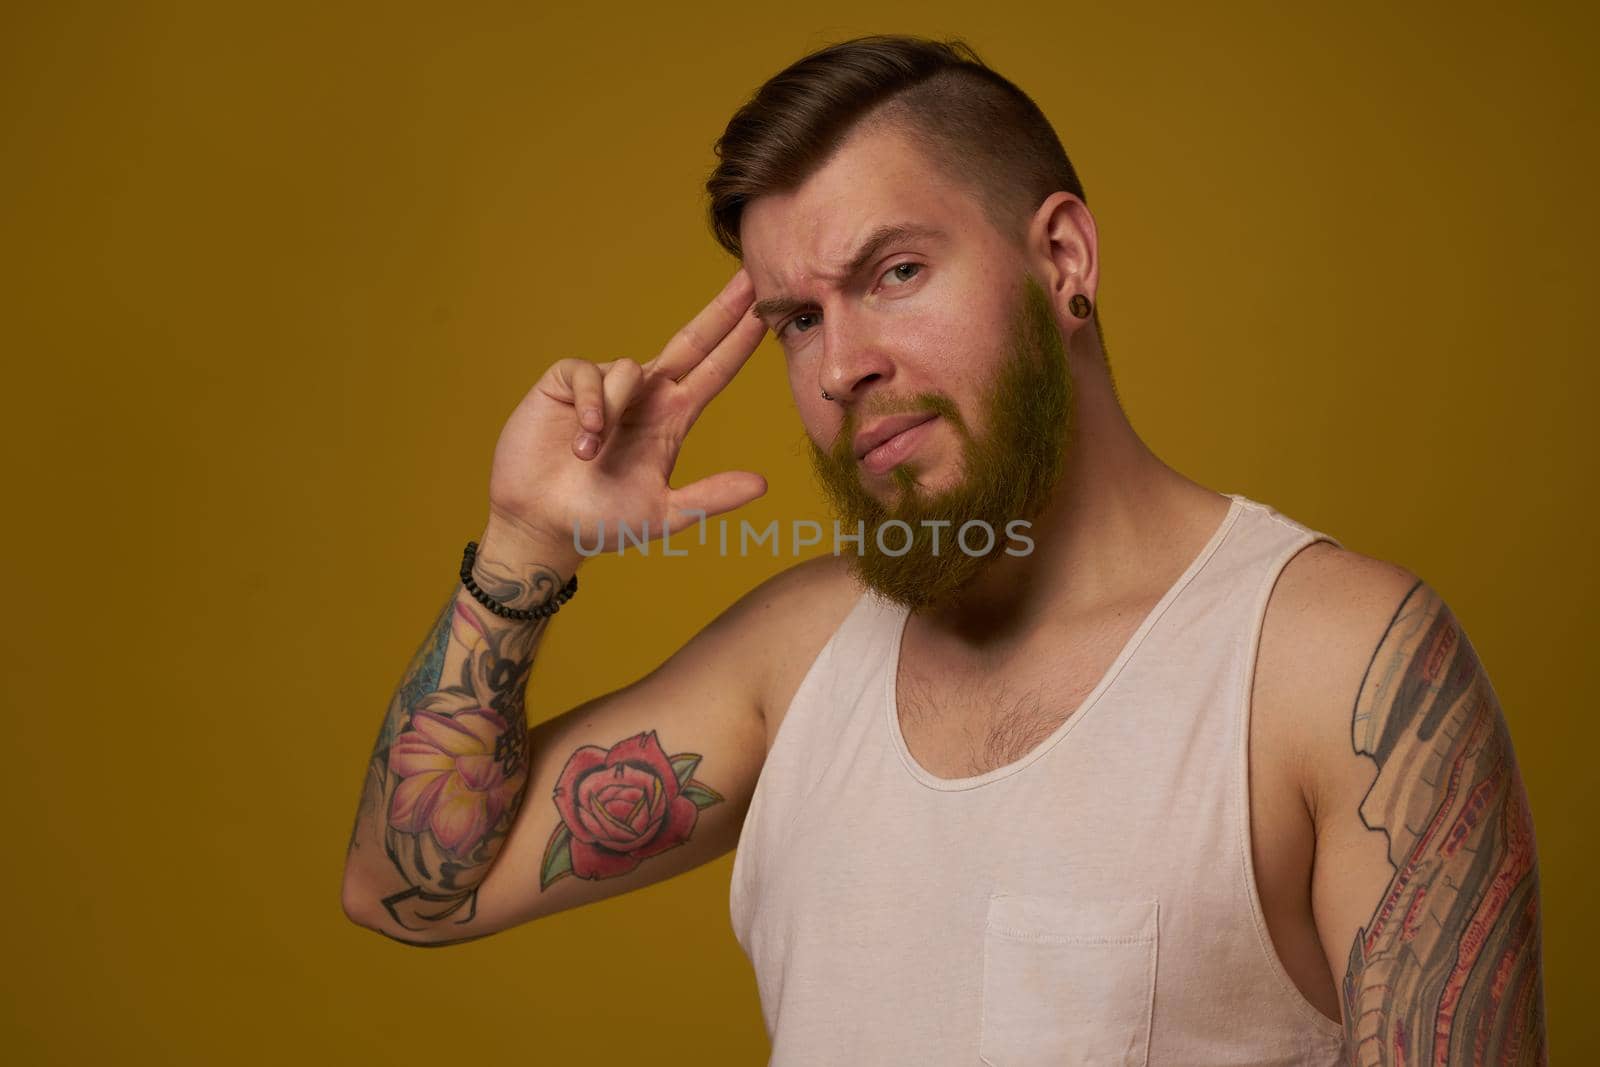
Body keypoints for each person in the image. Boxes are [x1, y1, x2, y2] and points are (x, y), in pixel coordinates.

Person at [340, 34, 1547, 1065]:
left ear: (1062, 259)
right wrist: (527, 541)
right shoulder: (795, 657)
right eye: (798, 319)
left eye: (895, 272)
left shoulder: (1333, 666)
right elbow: (413, 890)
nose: (838, 363)